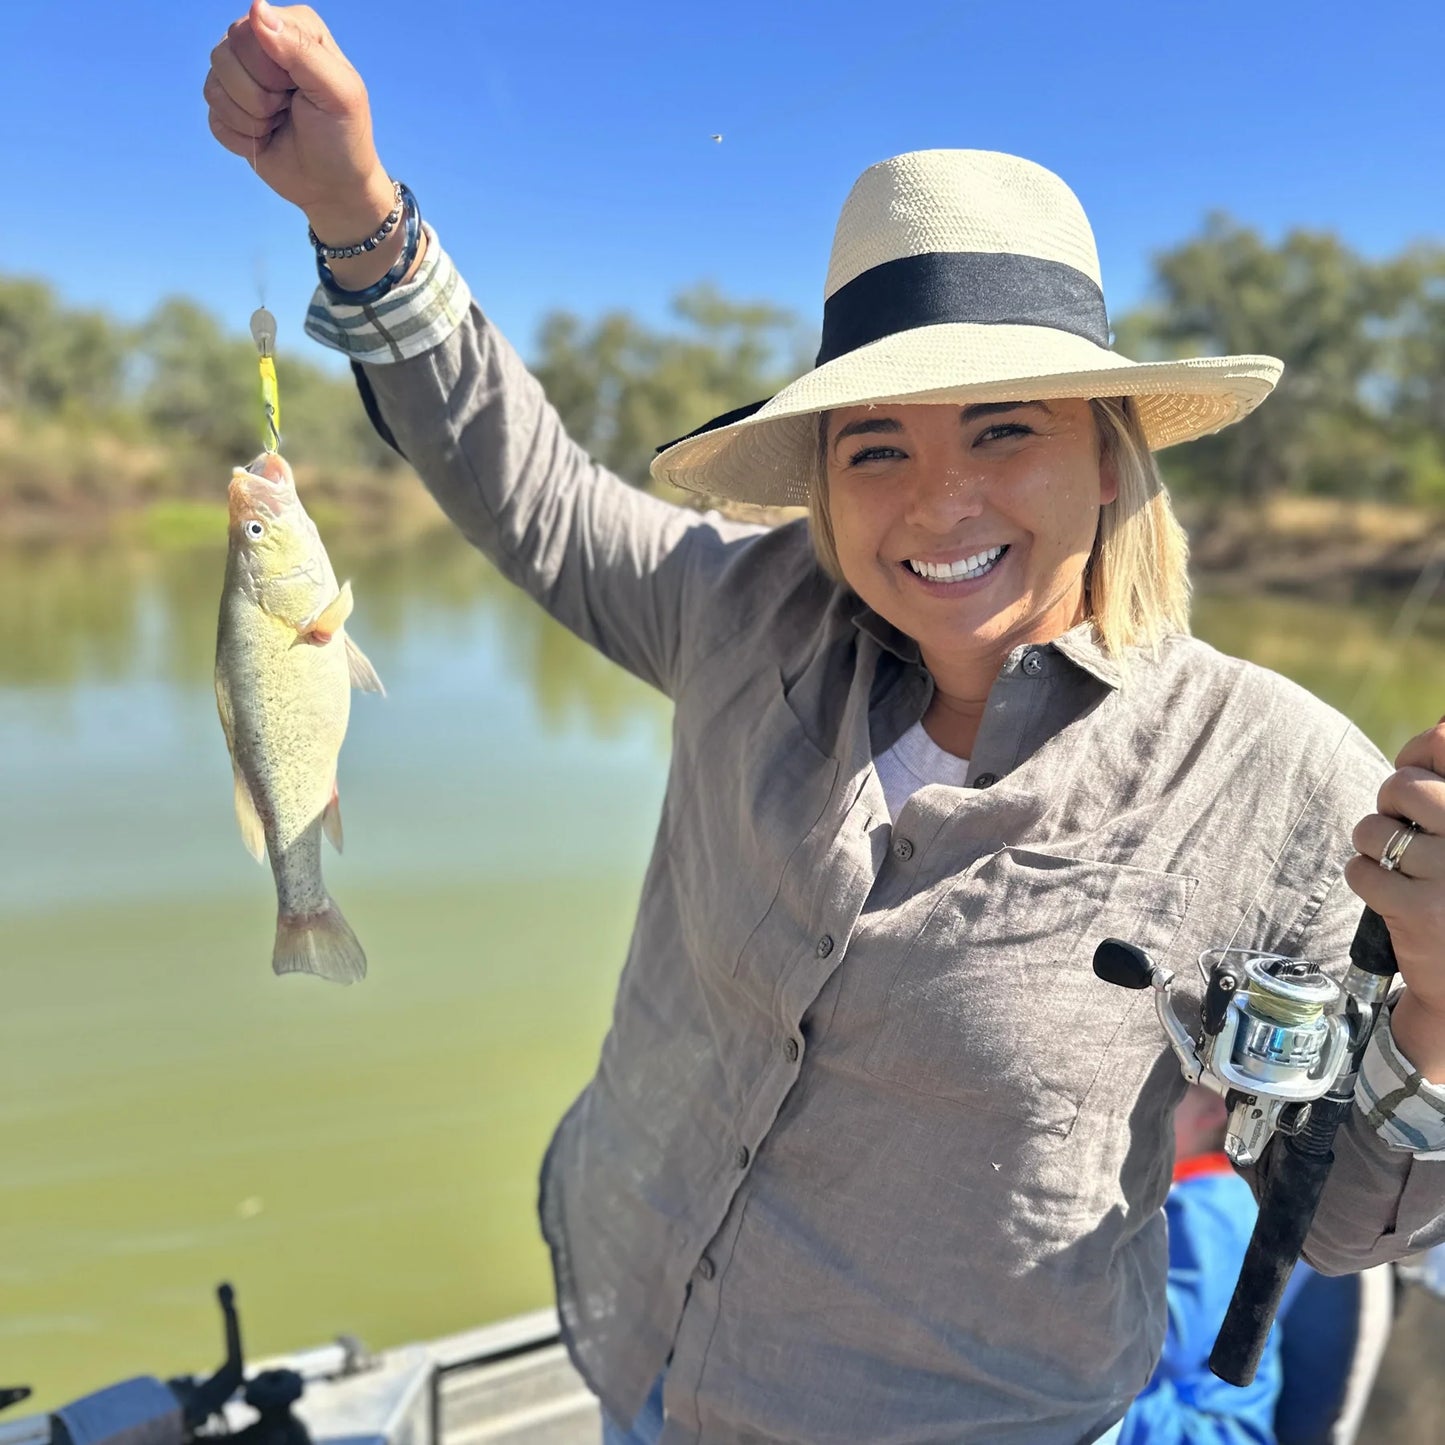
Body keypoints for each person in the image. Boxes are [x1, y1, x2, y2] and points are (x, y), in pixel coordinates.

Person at [205, 6, 1445, 1441]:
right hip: (644, 1350)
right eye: (876, 445)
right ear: (819, 480)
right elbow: (523, 484)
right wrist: (356, 212)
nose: (936, 499)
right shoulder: (741, 613)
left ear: (1106, 459)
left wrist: (1435, 997)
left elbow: (1348, 1219)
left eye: (1003, 427)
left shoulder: (1278, 773)